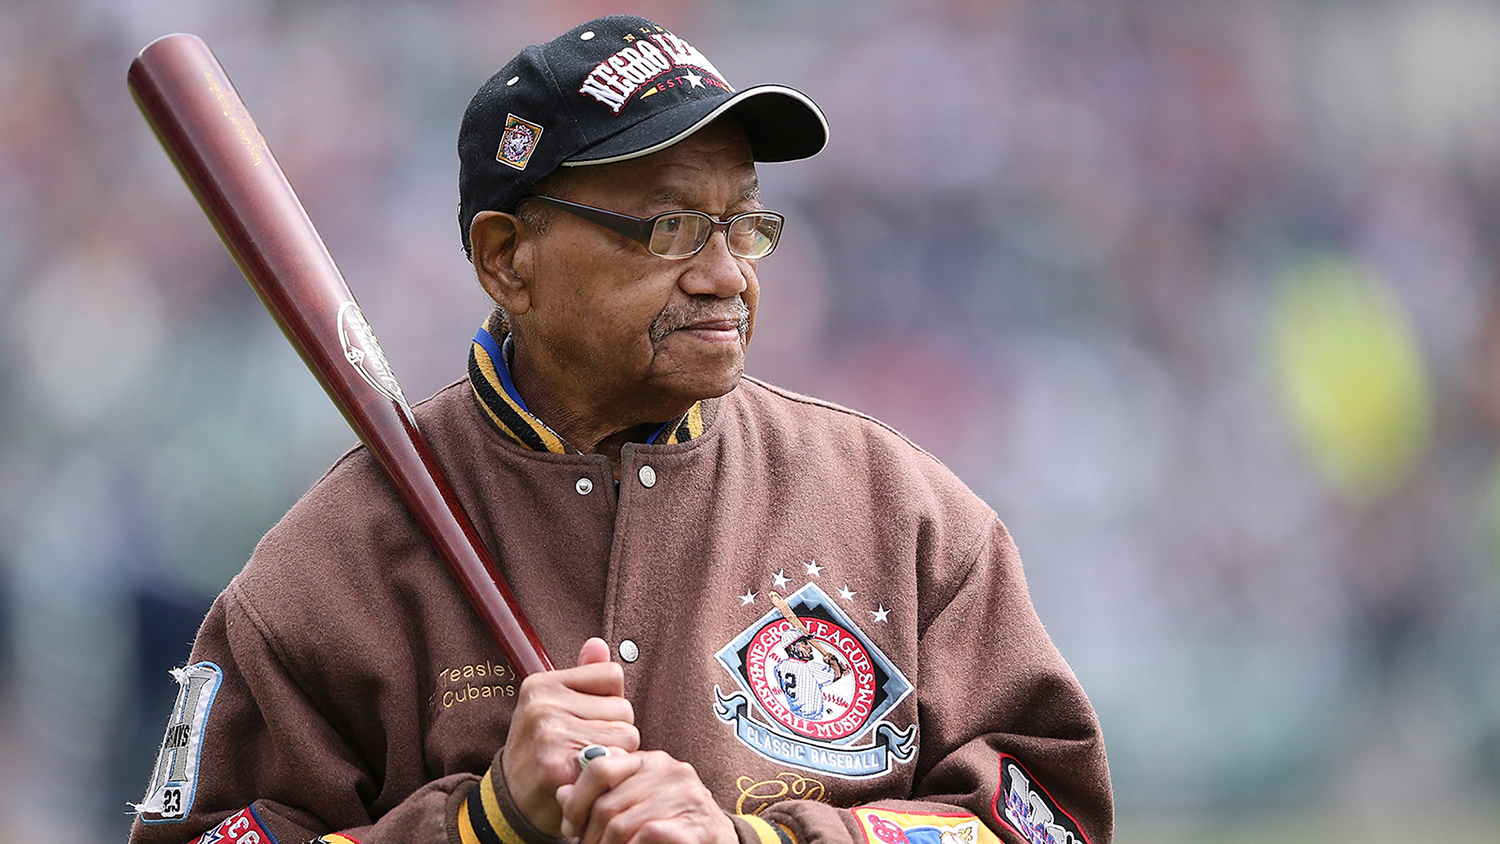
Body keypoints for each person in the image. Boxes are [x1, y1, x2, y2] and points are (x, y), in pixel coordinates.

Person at [129, 15, 1113, 844]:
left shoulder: (908, 519)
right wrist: (486, 824)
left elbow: (1050, 819)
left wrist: (762, 841)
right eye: (672, 227)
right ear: (508, 259)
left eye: (745, 223)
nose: (727, 272)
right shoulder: (319, 576)